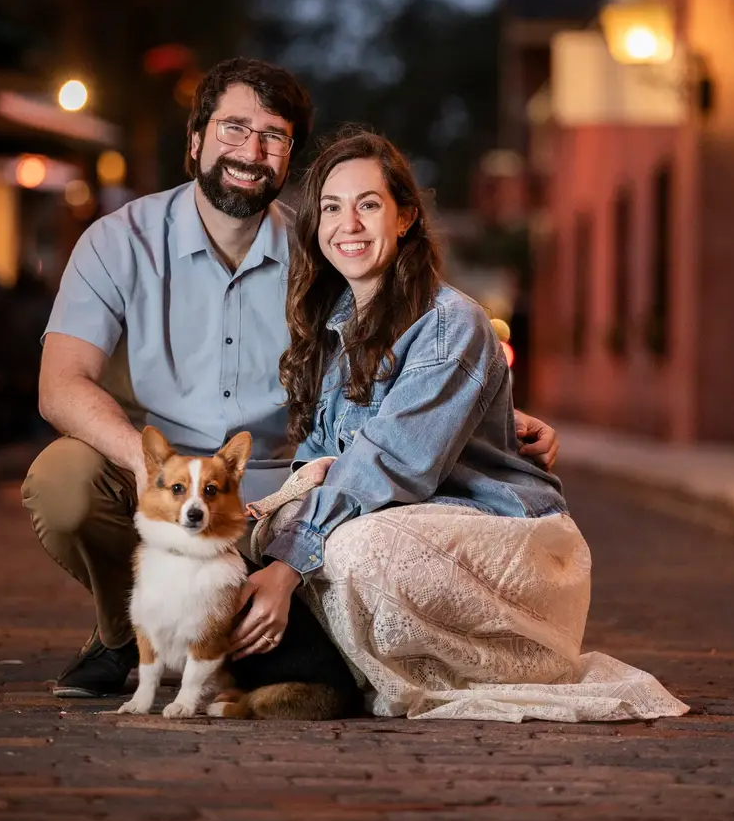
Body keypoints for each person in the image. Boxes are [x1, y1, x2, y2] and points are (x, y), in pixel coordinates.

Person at [22, 58, 559, 699]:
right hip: (165, 476)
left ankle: (236, 633)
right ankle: (126, 632)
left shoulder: (321, 253)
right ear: (195, 141)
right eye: (233, 129)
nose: (251, 151)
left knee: (295, 630)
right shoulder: (119, 242)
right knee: (62, 483)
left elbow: (401, 347)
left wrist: (487, 416)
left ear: (289, 157)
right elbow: (59, 387)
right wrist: (145, 466)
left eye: (273, 136)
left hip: (283, 499)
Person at [233, 131, 688, 723]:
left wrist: (289, 564)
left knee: (349, 549)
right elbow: (321, 455)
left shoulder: (452, 323)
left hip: (502, 537)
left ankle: (447, 665)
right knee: (266, 532)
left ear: (405, 219)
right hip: (413, 524)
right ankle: (328, 663)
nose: (349, 223)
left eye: (369, 204)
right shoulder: (334, 327)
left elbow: (387, 464)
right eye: (331, 207)